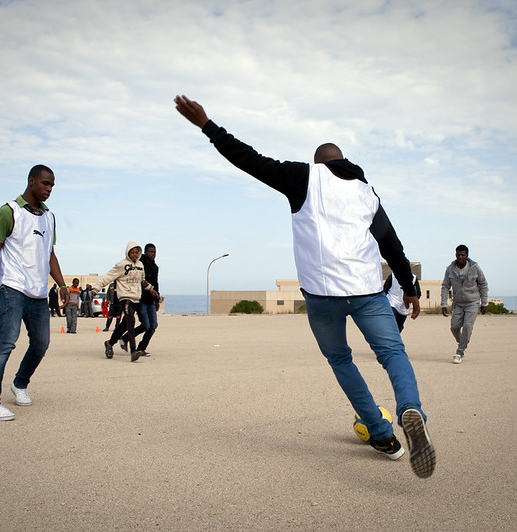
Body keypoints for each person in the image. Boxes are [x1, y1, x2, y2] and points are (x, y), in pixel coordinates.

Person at [174, 95, 435, 478]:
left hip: (322, 296)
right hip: (366, 292)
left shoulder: (304, 177)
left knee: (341, 360)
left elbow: (250, 160)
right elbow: (391, 244)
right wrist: (409, 288)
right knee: (392, 352)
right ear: (343, 162)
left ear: (317, 163)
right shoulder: (366, 191)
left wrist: (207, 126)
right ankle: (410, 409)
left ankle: (381, 434)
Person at [0, 164, 68, 421]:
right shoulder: (9, 212)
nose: (49, 189)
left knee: (41, 343)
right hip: (13, 289)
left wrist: (62, 285)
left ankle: (19, 383)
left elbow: (50, 254)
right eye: (45, 183)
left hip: (38, 294)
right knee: (6, 342)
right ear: (31, 181)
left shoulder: (49, 217)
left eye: (52, 185)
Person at [90, 242, 158, 362]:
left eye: (136, 253)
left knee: (125, 324)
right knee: (131, 322)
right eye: (132, 252)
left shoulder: (140, 265)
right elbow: (108, 277)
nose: (134, 255)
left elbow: (142, 281)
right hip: (125, 298)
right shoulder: (121, 265)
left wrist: (151, 289)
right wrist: (95, 289)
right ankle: (133, 351)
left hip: (136, 298)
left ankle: (109, 343)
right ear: (128, 253)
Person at [441, 244, 489, 364]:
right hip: (457, 303)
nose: (460, 257)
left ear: (467, 255)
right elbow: (445, 286)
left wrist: (484, 303)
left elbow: (483, 284)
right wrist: (444, 304)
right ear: (455, 255)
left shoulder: (474, 268)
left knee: (467, 326)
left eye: (463, 255)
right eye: (458, 255)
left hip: (472, 302)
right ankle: (463, 342)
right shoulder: (450, 269)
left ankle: (460, 352)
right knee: (454, 327)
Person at [130, 243, 160, 356]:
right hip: (140, 299)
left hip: (151, 300)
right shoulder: (139, 265)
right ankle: (126, 338)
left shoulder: (155, 267)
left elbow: (156, 283)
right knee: (145, 325)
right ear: (145, 252)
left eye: (155, 252)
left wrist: (157, 300)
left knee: (153, 325)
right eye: (151, 252)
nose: (153, 254)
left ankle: (141, 348)